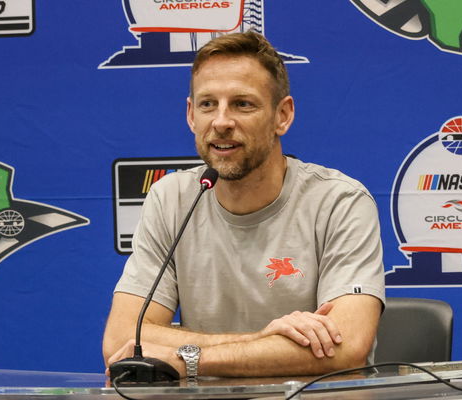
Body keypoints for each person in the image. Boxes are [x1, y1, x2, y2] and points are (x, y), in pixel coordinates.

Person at [103, 31, 385, 379]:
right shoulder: (170, 198)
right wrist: (263, 339)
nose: (221, 122)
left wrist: (189, 357)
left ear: (283, 115)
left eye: (243, 104)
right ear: (191, 115)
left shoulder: (339, 201)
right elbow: (122, 338)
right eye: (208, 104)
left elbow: (347, 344)